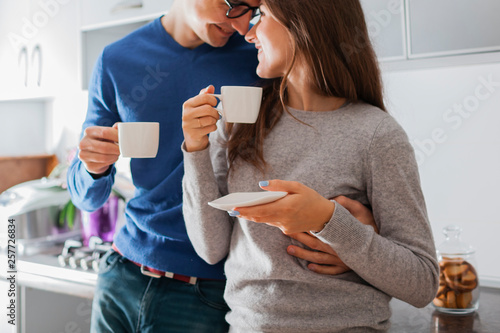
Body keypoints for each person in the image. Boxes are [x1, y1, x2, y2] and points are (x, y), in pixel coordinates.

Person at [66, 0, 375, 332]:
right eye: (234, 4)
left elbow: (331, 135)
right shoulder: (116, 60)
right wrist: (93, 167)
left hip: (209, 289)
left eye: (253, 10)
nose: (243, 25)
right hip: (121, 273)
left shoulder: (262, 58)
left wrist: (358, 231)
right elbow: (86, 197)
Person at [181, 0, 440, 331]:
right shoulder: (240, 122)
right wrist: (195, 147)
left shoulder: (376, 134)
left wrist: (328, 222)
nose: (248, 33)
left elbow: (422, 283)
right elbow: (210, 248)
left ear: (302, 21)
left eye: (262, 17)